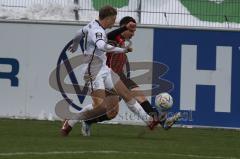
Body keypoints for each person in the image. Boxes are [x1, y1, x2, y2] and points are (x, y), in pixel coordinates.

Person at [61, 5, 157, 136]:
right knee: (100, 107)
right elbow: (102, 46)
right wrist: (123, 50)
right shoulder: (98, 32)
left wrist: (76, 44)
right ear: (108, 18)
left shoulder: (92, 25)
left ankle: (149, 121)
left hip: (104, 69)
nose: (114, 22)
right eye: (113, 19)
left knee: (126, 94)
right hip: (92, 72)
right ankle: (72, 119)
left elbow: (79, 33)